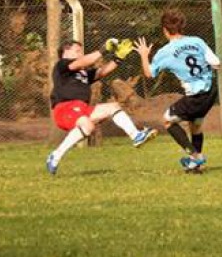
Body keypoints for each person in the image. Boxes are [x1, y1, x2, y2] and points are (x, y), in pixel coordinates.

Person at [45, 39, 157, 175]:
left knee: (113, 107)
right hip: (65, 108)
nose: (80, 54)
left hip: (82, 108)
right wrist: (103, 50)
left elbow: (101, 72)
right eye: (77, 51)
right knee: (87, 126)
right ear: (66, 51)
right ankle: (56, 155)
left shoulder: (82, 72)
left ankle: (136, 135)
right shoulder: (62, 65)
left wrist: (118, 58)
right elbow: (82, 61)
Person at [134, 9, 219, 173]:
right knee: (195, 125)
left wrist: (144, 55)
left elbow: (149, 74)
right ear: (182, 26)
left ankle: (195, 156)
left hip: (195, 96)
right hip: (210, 92)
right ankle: (197, 165)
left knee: (168, 120)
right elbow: (216, 63)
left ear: (165, 30)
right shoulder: (197, 41)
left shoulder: (165, 52)